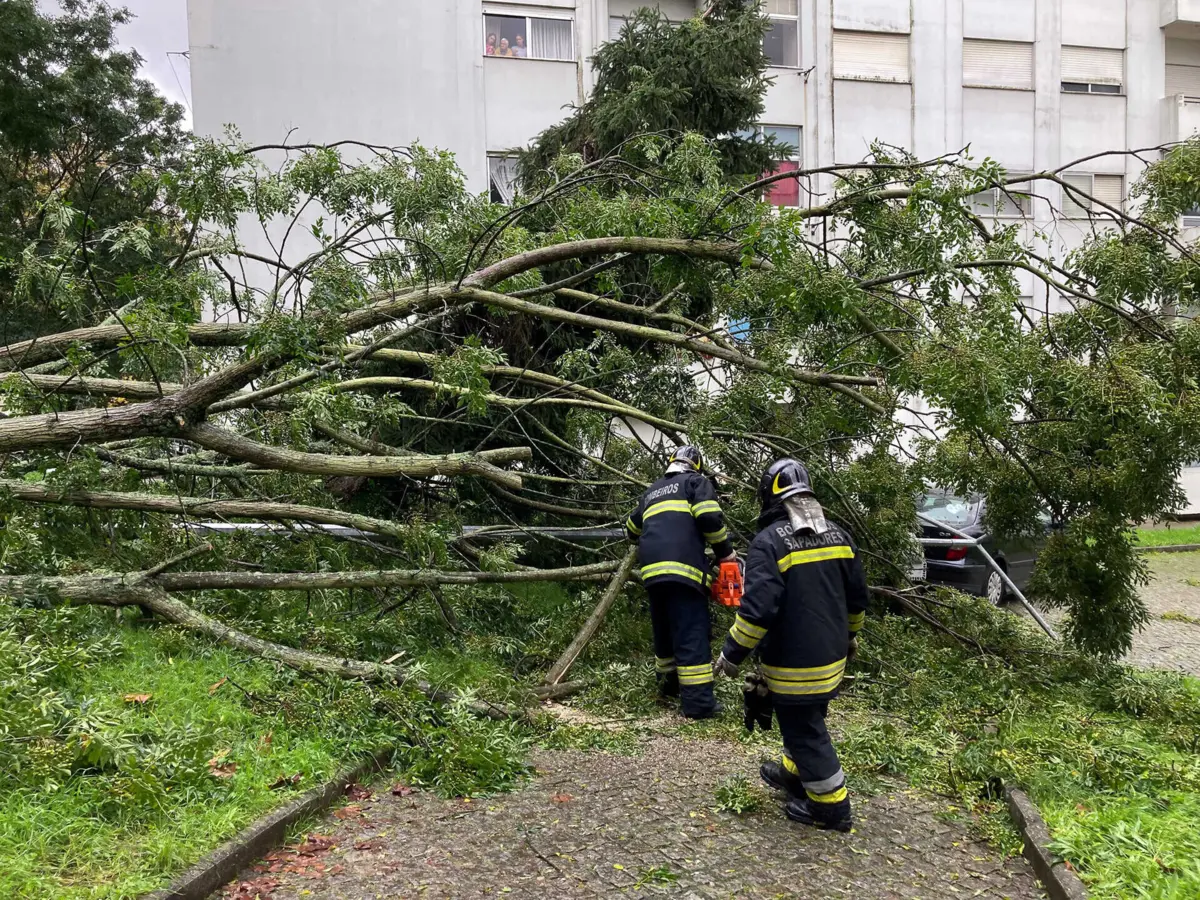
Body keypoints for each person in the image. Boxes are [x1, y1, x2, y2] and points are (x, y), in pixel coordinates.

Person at [714, 458, 868, 832]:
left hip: (795, 665)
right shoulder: (840, 536)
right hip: (832, 659)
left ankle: (831, 806)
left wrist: (731, 653)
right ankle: (795, 773)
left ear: (769, 498)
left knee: (805, 729)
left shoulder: (769, 543)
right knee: (806, 717)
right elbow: (857, 600)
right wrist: (850, 637)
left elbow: (757, 612)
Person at [625, 446, 736, 719]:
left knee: (664, 632)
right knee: (691, 633)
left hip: (652, 573)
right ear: (696, 466)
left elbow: (631, 530)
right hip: (684, 571)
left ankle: (667, 689)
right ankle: (698, 705)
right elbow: (709, 517)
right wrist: (725, 552)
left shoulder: (651, 491)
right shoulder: (696, 483)